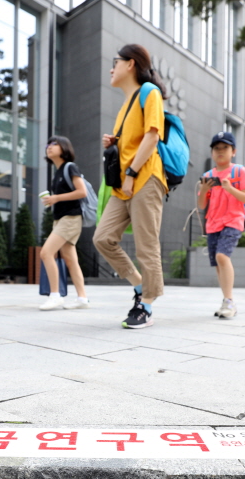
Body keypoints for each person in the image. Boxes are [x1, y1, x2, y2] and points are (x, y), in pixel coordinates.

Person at [94, 43, 167, 329]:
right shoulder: (126, 104)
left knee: (146, 246)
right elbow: (135, 139)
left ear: (131, 64)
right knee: (102, 238)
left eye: (116, 62)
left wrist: (133, 172)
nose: (112, 69)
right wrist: (115, 141)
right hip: (122, 185)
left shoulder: (151, 93)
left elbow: (152, 137)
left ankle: (146, 305)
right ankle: (140, 285)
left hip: (145, 178)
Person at [197, 131, 245, 319]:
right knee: (218, 264)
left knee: (222, 256)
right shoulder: (208, 175)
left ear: (233, 151)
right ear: (212, 152)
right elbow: (201, 205)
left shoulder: (239, 171)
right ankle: (226, 300)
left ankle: (229, 301)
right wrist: (204, 190)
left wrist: (230, 188)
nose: (220, 151)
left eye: (225, 148)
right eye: (216, 148)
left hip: (233, 220)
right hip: (213, 223)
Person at [38, 136, 90, 310]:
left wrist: (56, 198)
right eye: (48, 145)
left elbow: (82, 192)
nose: (49, 147)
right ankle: (82, 299)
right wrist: (52, 200)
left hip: (70, 218)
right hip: (60, 218)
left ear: (64, 148)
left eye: (54, 144)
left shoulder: (70, 167)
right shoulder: (58, 173)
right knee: (70, 259)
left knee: (46, 253)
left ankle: (55, 295)